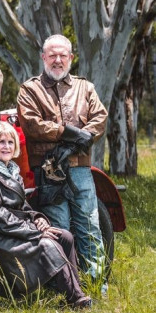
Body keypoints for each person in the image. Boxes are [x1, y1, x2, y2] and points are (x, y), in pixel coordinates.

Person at [0, 121, 91, 308]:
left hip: (11, 228)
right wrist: (35, 233)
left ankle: (73, 288)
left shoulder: (11, 171)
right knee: (47, 244)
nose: (6, 147)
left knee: (64, 236)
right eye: (1, 142)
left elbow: (22, 207)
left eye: (10, 142)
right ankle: (74, 299)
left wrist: (37, 219)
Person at [16, 34, 108, 288]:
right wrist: (68, 133)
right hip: (49, 170)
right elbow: (32, 125)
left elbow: (99, 116)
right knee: (58, 229)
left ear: (71, 58)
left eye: (62, 55)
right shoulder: (29, 89)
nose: (57, 60)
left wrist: (86, 135)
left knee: (89, 226)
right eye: (52, 55)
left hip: (80, 169)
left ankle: (97, 284)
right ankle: (67, 288)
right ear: (43, 57)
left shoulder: (85, 87)